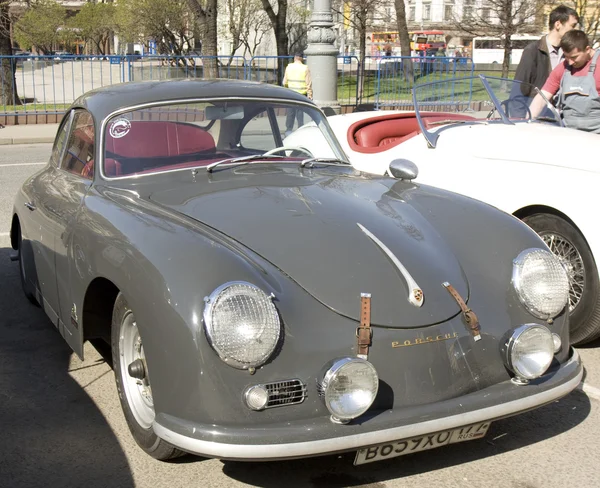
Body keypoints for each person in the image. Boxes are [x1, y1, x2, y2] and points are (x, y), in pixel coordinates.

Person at [530, 30, 600, 133]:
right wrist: (528, 121)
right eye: (566, 57)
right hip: (569, 133)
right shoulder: (563, 68)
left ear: (588, 49)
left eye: (574, 57)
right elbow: (542, 97)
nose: (570, 62)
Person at [514, 5, 579, 97]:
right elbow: (519, 89)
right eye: (573, 26)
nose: (575, 30)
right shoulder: (532, 51)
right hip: (537, 109)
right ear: (558, 25)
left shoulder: (570, 53)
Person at [282, 52, 313, 136]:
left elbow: (284, 82)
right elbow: (308, 83)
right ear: (301, 58)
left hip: (291, 93)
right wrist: (310, 94)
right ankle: (300, 130)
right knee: (300, 114)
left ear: (295, 58)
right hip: (301, 94)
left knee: (290, 113)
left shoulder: (289, 67)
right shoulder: (305, 68)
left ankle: (288, 130)